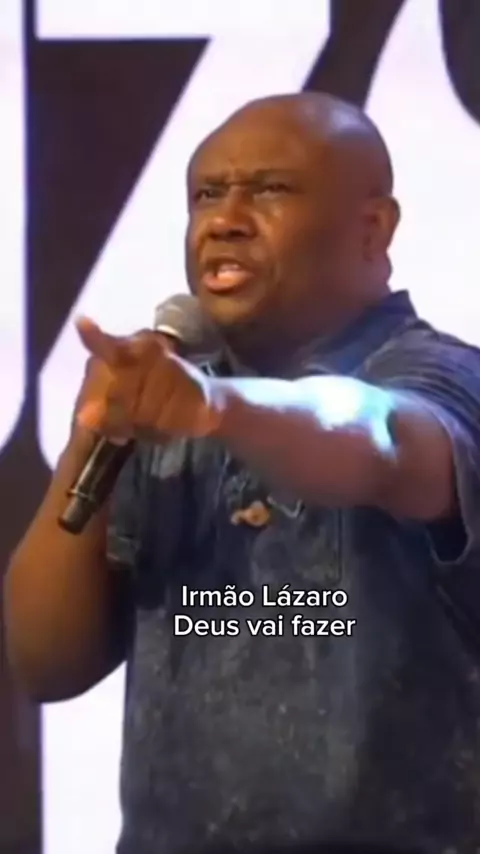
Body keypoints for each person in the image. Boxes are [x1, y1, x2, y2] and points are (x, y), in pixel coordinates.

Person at [4, 91, 480, 854]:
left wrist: (218, 409)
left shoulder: (445, 379)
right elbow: (45, 662)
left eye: (270, 189)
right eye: (205, 195)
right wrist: (91, 438)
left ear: (372, 228)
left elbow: (377, 434)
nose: (223, 220)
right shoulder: (171, 400)